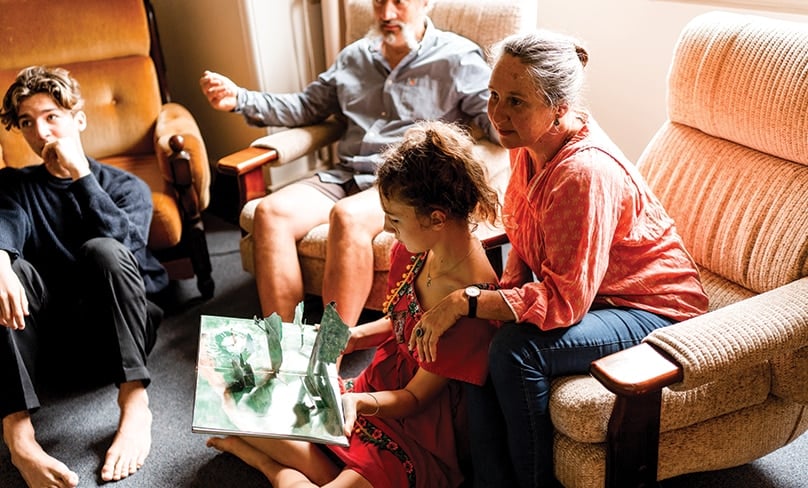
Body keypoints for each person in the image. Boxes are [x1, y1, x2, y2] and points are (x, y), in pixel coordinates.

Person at [409, 30, 710, 487]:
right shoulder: (527, 150)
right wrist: (487, 304)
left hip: (652, 309)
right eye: (493, 95)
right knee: (482, 334)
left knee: (514, 351)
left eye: (515, 101)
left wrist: (465, 300)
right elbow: (524, 252)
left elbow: (565, 301)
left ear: (559, 108)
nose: (496, 113)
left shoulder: (581, 174)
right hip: (596, 297)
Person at [206, 120, 500, 487]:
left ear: (437, 218)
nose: (388, 230)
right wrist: (353, 336)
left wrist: (360, 404)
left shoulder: (472, 300)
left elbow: (414, 398)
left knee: (282, 436)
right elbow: (400, 320)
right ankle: (329, 467)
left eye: (394, 220)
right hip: (370, 388)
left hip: (415, 428)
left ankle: (272, 466)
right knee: (226, 396)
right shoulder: (415, 250)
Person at [199, 0, 495, 328]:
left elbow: (497, 123)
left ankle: (329, 355)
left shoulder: (458, 58)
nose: (386, 14)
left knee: (346, 217)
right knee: (270, 214)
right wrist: (241, 99)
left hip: (403, 184)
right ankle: (283, 347)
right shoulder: (354, 56)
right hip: (346, 173)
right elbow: (306, 106)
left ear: (425, 3)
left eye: (398, 2)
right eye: (379, 2)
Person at [0, 66, 167, 487]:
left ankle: (135, 404)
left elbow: (130, 252)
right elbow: (3, 223)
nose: (41, 131)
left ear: (79, 119)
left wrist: (82, 177)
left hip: (115, 337)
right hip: (50, 350)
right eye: (26, 122)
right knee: (3, 265)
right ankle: (20, 439)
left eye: (51, 115)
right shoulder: (15, 186)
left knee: (105, 249)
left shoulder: (126, 188)